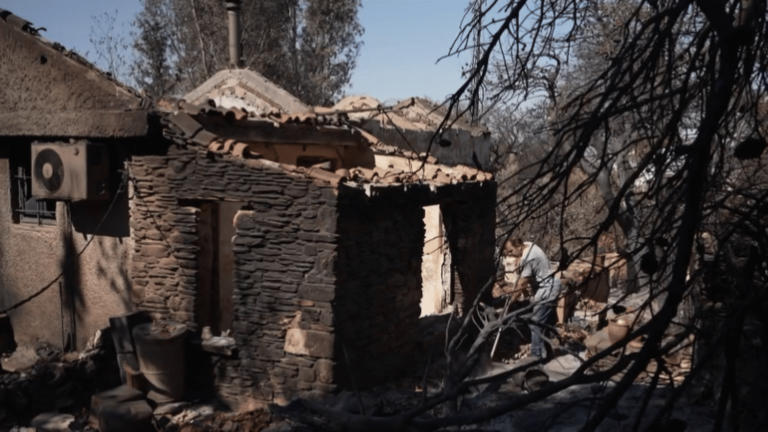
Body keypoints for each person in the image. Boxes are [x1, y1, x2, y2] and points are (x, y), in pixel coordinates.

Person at [501, 237, 562, 359]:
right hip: (547, 287)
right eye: (508, 252)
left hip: (547, 290)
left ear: (519, 246)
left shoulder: (529, 258)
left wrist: (509, 304)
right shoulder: (527, 246)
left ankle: (536, 356)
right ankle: (548, 353)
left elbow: (522, 284)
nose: (510, 254)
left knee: (535, 323)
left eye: (511, 251)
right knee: (543, 325)